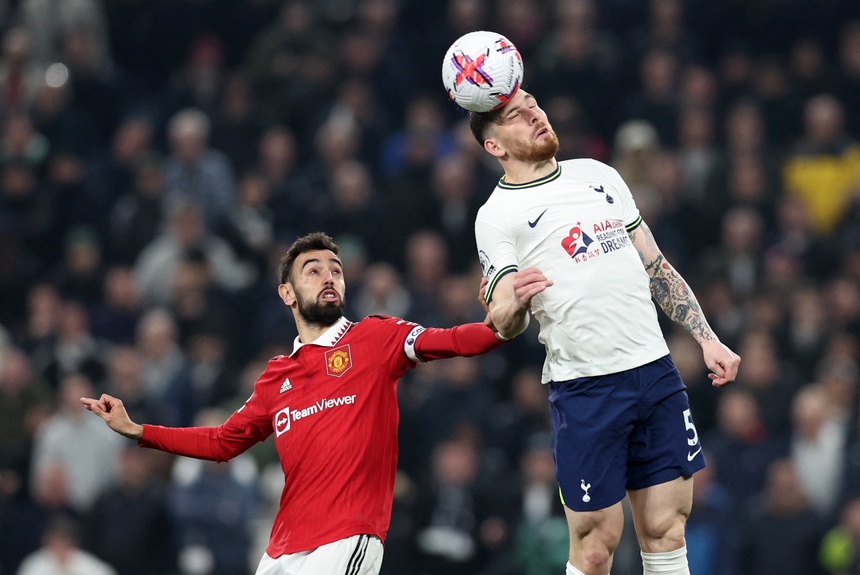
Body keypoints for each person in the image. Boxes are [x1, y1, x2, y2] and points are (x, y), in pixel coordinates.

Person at [81, 231, 508, 575]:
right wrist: (139, 431)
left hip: (346, 538)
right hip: (282, 550)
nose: (329, 277)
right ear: (287, 293)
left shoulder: (375, 338)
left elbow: (448, 340)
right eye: (313, 271)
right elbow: (221, 442)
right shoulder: (276, 377)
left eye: (336, 270)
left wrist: (498, 327)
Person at [468, 87, 741, 575]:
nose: (535, 115)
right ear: (494, 146)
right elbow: (504, 319)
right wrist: (516, 304)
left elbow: (655, 266)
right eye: (516, 115)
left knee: (666, 529)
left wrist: (706, 337)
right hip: (585, 388)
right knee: (595, 549)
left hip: (655, 374)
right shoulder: (496, 216)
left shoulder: (599, 175)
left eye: (533, 104)